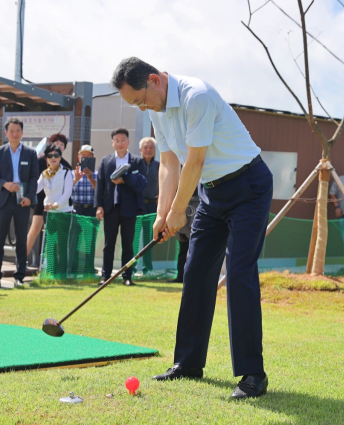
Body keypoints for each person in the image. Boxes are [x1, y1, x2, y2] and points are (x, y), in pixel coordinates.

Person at [112, 57, 272, 399]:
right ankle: (187, 362)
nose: (141, 109)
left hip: (248, 186)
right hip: (212, 192)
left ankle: (253, 375)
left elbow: (195, 159)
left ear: (154, 80)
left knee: (240, 271)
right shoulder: (156, 110)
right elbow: (169, 163)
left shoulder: (195, 96)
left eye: (140, 100)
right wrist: (162, 213)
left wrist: (179, 210)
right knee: (196, 270)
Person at [0, 118, 39, 288]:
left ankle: (19, 276)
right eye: (12, 131)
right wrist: (5, 184)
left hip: (22, 201)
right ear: (6, 133)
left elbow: (34, 177)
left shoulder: (30, 153)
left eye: (18, 130)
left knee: (21, 241)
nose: (15, 134)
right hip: (4, 200)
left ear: (22, 133)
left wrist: (30, 197)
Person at [94, 127, 147, 287]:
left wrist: (125, 180)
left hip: (129, 208)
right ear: (112, 143)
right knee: (108, 243)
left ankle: (127, 276)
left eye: (123, 140)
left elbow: (141, 183)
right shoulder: (106, 161)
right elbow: (100, 186)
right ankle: (106, 276)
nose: (120, 143)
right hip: (110, 208)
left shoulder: (137, 161)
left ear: (128, 141)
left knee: (128, 244)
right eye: (117, 141)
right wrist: (99, 206)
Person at [27, 133, 73, 257]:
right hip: (42, 201)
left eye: (61, 145)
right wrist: (26, 192)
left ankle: (52, 264)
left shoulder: (66, 167)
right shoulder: (40, 163)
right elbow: (35, 185)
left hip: (59, 206)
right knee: (35, 229)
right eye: (55, 143)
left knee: (56, 237)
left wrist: (56, 204)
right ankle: (22, 259)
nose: (58, 146)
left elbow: (68, 188)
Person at [36, 144, 74, 274]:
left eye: (56, 155)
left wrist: (56, 205)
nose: (53, 158)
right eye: (50, 156)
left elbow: (67, 193)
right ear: (46, 158)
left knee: (62, 243)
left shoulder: (67, 172)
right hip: (49, 212)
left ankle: (62, 273)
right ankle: (51, 272)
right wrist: (25, 188)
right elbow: (36, 188)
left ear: (60, 157)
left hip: (63, 211)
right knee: (50, 243)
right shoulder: (44, 173)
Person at [69, 144, 99, 274]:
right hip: (76, 209)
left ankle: (88, 269)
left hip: (91, 209)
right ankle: (72, 268)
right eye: (83, 156)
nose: (86, 158)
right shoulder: (71, 173)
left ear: (93, 158)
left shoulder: (97, 174)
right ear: (78, 157)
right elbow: (66, 191)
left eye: (89, 156)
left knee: (90, 241)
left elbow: (99, 192)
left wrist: (90, 177)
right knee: (73, 240)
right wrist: (75, 179)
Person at [138, 137, 159, 275]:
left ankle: (148, 269)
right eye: (145, 147)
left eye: (151, 147)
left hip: (152, 206)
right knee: (132, 238)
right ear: (140, 149)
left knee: (149, 238)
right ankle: (130, 269)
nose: (148, 150)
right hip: (137, 206)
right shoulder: (135, 164)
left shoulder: (159, 165)